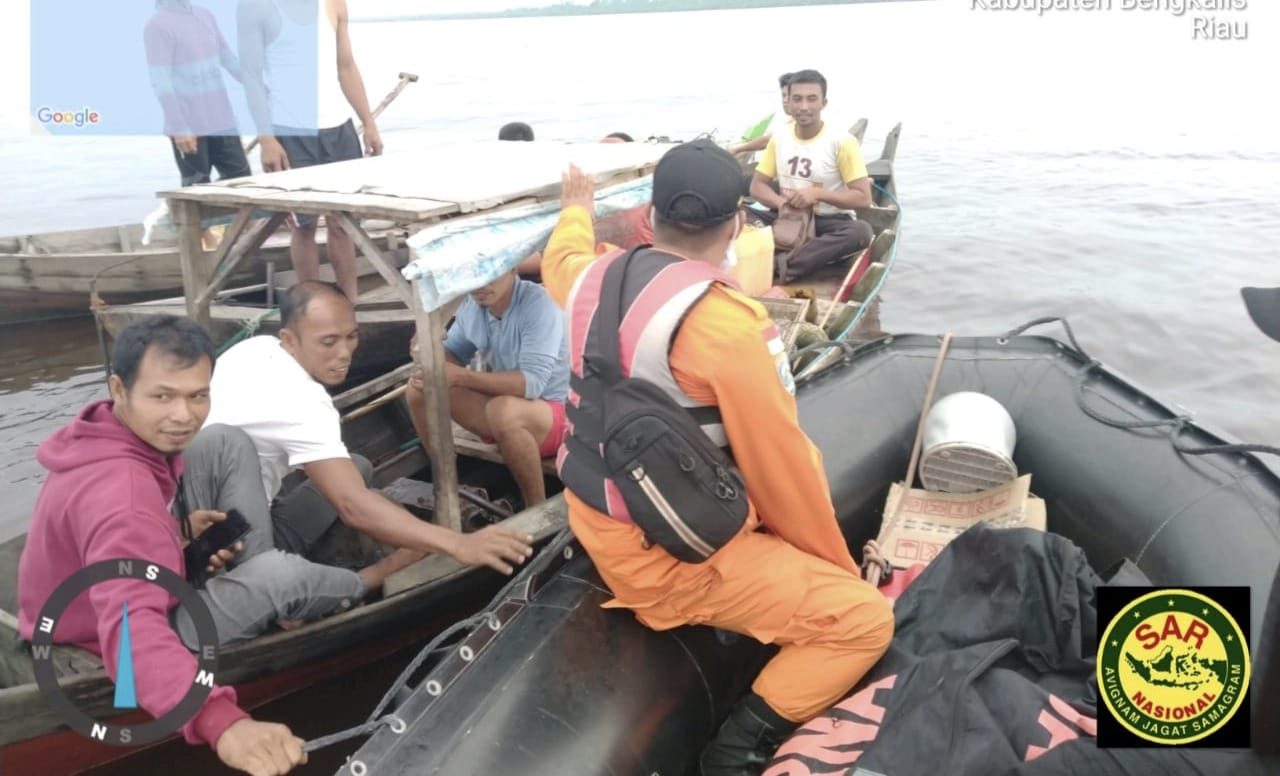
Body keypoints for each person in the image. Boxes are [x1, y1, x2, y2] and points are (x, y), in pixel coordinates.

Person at [540, 143, 894, 774]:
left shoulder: (590, 277)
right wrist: (839, 570)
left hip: (598, 516)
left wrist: (575, 211)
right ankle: (736, 751)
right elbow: (783, 468)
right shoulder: (730, 325)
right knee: (864, 622)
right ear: (736, 226)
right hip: (669, 560)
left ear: (650, 217)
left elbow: (561, 257)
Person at [15, 316, 394, 775]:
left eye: (198, 395)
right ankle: (366, 579)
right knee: (279, 575)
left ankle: (259, 580)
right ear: (119, 389)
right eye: (162, 396)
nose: (183, 415)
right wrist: (221, 722)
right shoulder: (125, 499)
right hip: (95, 642)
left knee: (224, 439)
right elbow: (132, 637)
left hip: (80, 606)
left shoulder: (99, 436)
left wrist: (171, 535)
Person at [203, 281, 536, 575]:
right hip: (230, 548)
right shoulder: (302, 401)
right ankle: (372, 576)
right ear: (289, 340)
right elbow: (352, 507)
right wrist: (457, 543)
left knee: (358, 466)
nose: (344, 353)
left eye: (351, 337)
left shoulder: (256, 348)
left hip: (224, 511)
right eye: (328, 342)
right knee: (323, 564)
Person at [238, 0, 383, 303]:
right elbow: (251, 76)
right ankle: (310, 307)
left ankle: (349, 305)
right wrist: (266, 139)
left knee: (343, 225)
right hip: (290, 130)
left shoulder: (334, 5)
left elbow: (346, 67)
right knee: (303, 225)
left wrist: (369, 123)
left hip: (339, 130)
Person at [404, 271, 570, 509]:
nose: (481, 285)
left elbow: (531, 384)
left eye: (490, 275)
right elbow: (453, 354)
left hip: (561, 417)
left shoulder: (540, 304)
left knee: (504, 410)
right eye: (474, 276)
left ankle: (536, 507)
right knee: (418, 389)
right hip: (502, 410)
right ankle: (448, 486)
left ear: (512, 269)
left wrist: (461, 377)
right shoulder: (472, 306)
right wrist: (428, 349)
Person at [748, 69, 874, 284]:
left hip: (828, 221)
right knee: (736, 214)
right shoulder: (779, 138)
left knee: (860, 232)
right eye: (797, 99)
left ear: (823, 102)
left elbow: (863, 198)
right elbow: (757, 186)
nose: (804, 107)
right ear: (788, 102)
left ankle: (781, 264)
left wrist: (818, 194)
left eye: (812, 99)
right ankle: (797, 256)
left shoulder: (842, 142)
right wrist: (781, 204)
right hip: (786, 216)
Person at [144, 0, 252, 249]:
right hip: (188, 125)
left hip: (222, 119)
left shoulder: (204, 15)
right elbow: (160, 80)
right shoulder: (157, 26)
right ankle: (205, 249)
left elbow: (227, 57)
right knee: (197, 188)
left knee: (242, 182)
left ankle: (243, 241)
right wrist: (178, 126)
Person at [728, 72, 793, 158]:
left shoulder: (799, 124)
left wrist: (737, 149)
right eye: (783, 95)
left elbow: (767, 141)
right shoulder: (790, 121)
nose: (785, 100)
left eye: (790, 96)